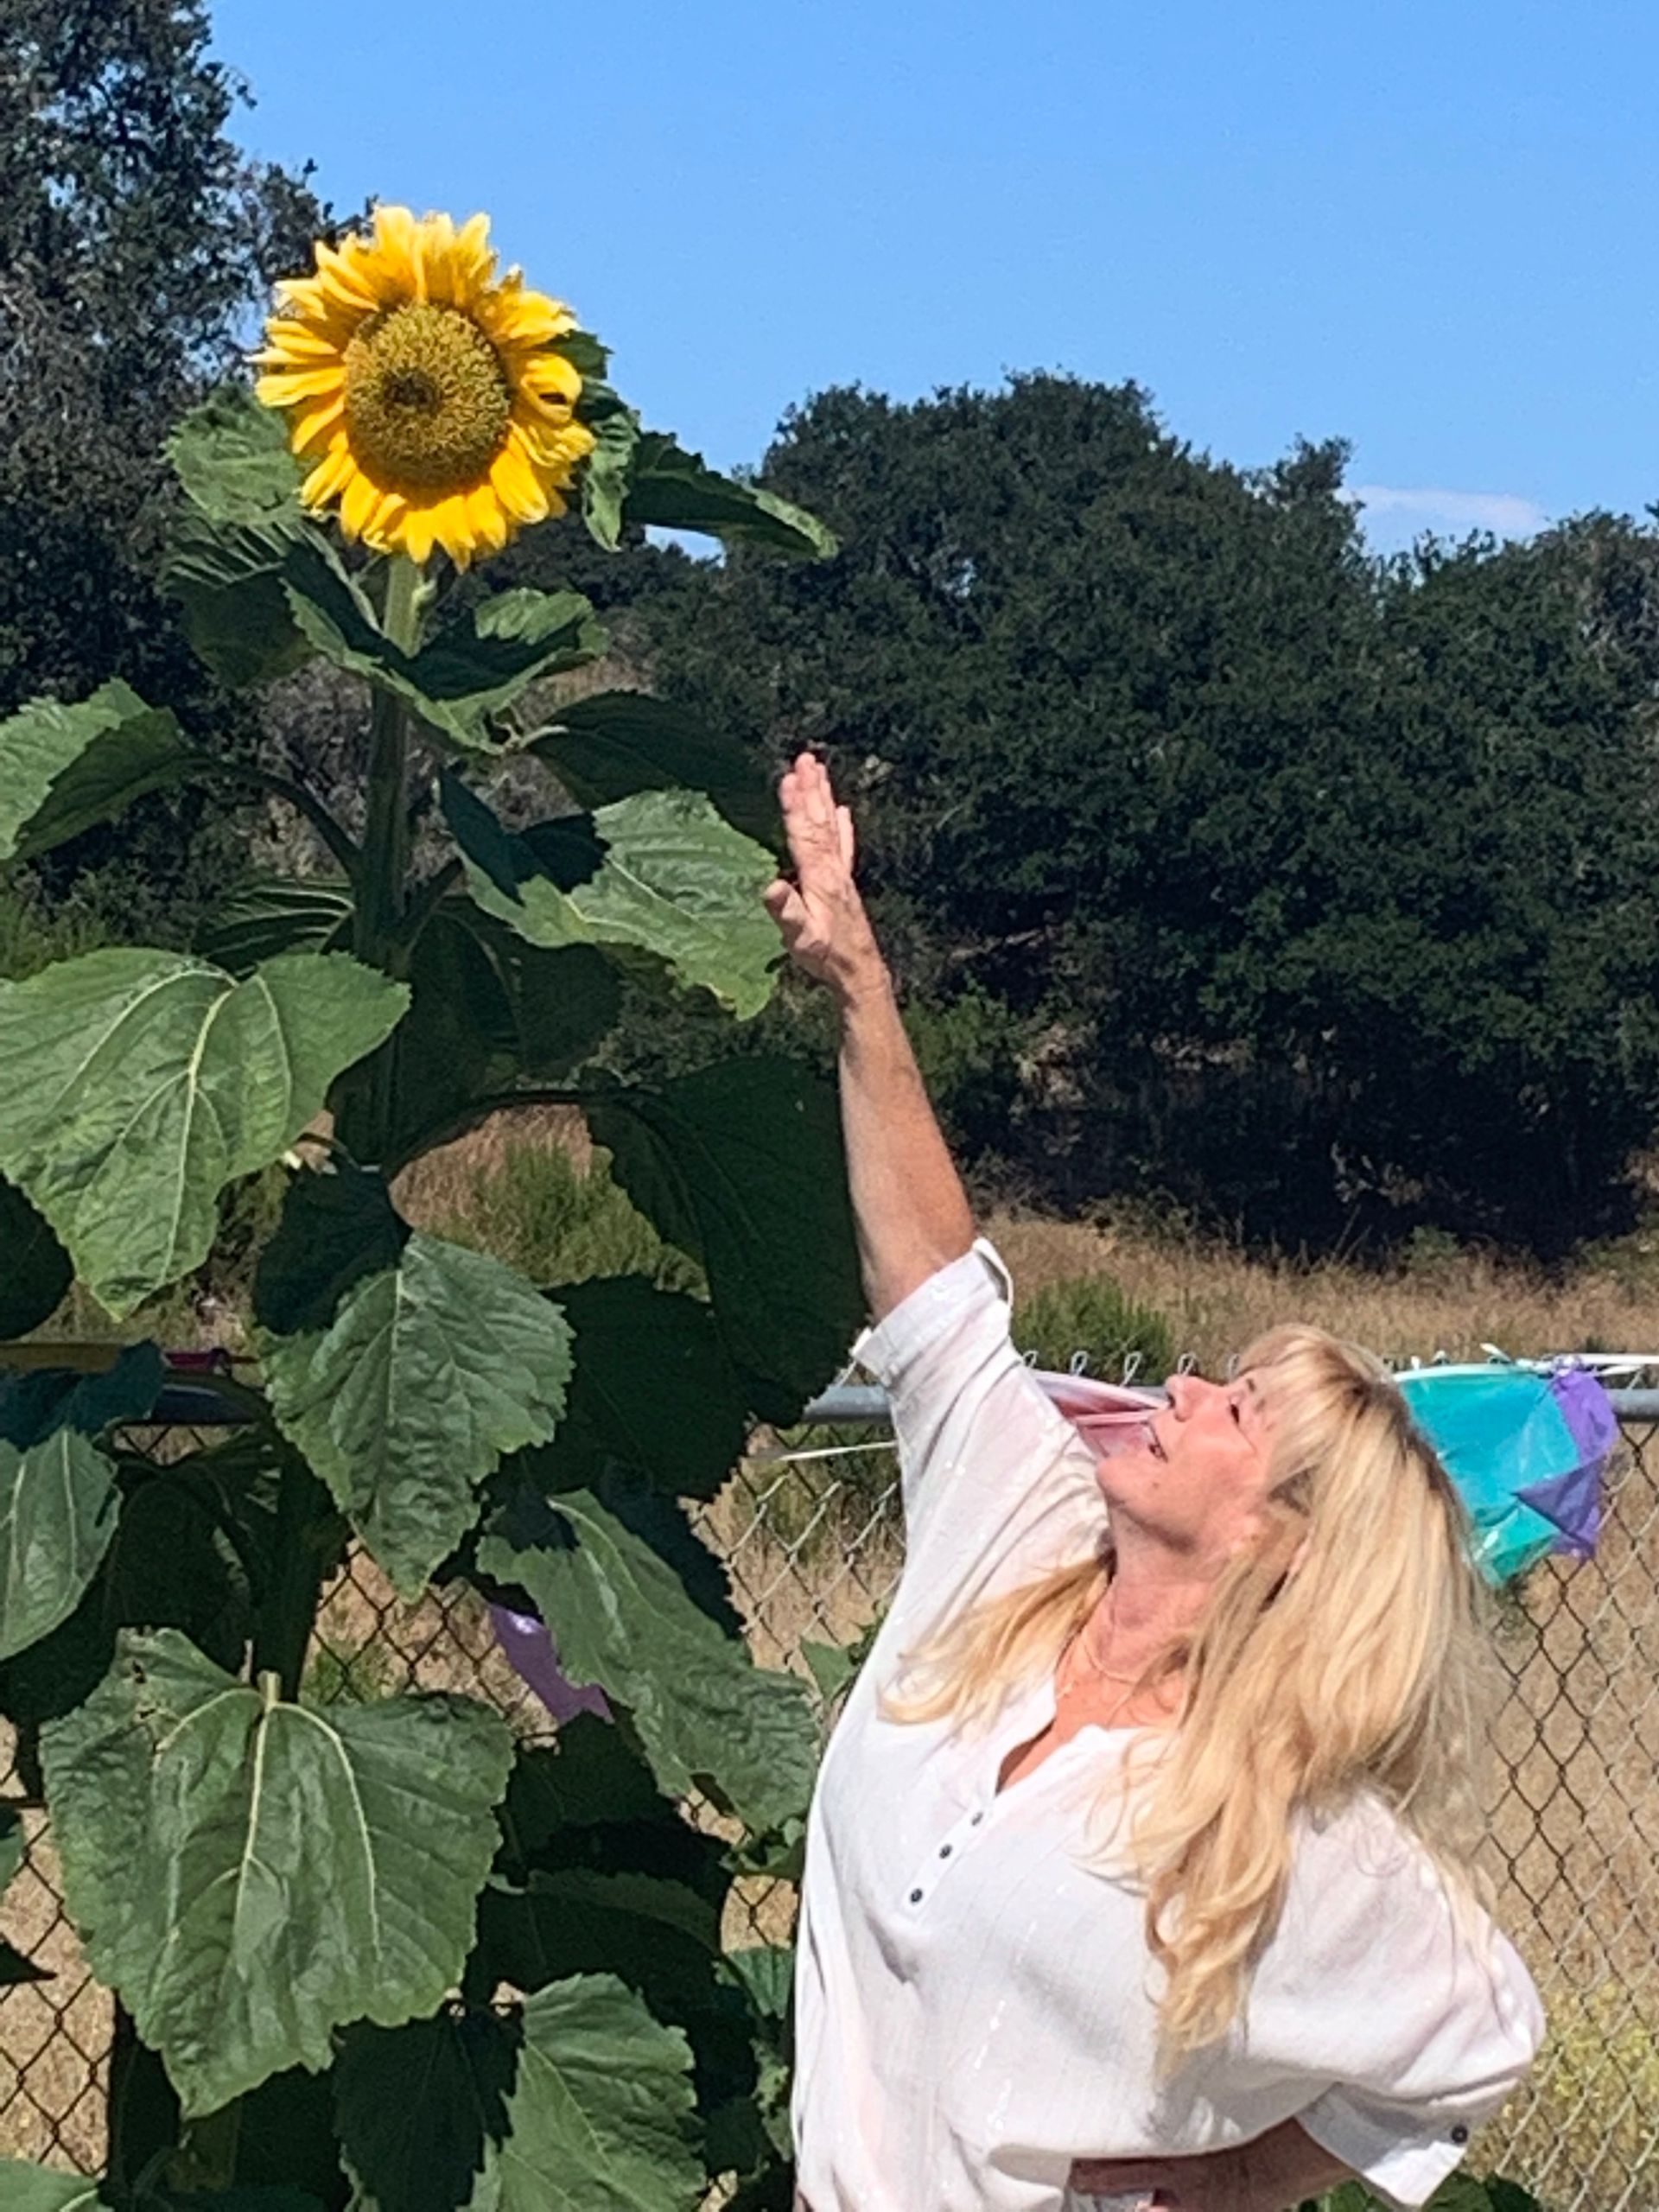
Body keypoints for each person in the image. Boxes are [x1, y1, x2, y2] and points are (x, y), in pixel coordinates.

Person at [761, 751, 1544, 2212]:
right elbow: (934, 1285)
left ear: (1286, 1543)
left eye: (1238, 1407)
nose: (1181, 1391)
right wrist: (862, 982)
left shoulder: (1276, 1826)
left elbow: (1484, 2030)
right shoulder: (1019, 1542)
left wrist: (1248, 2178)